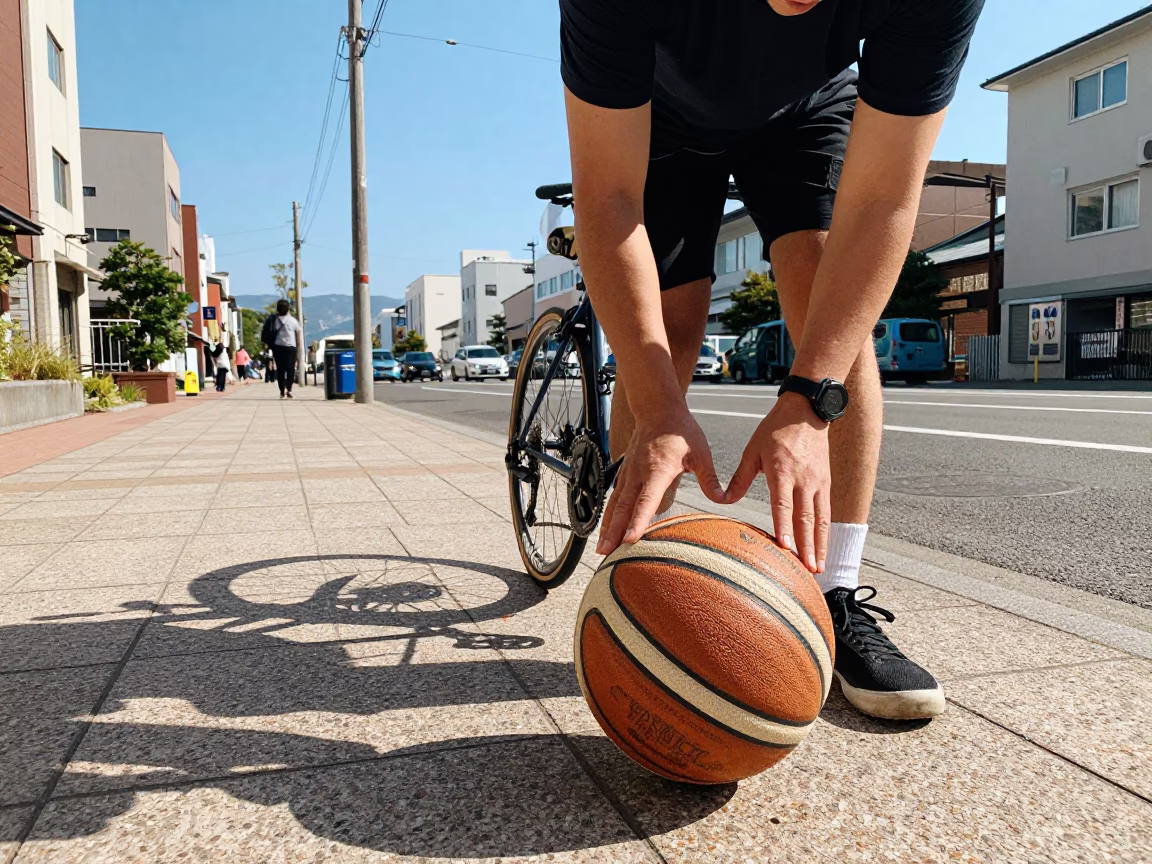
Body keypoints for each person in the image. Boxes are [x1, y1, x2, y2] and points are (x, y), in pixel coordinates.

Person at [562, 0, 984, 720]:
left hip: (805, 109)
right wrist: (660, 410)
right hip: (661, 113)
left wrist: (810, 400)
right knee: (672, 329)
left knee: (828, 310)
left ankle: (836, 592)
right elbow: (607, 199)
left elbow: (883, 200)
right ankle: (634, 587)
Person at [268, 299, 302, 399]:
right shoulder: (293, 320)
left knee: (280, 370)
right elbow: (299, 334)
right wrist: (299, 348)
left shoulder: (274, 320)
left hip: (278, 347)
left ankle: (282, 391)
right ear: (288, 309)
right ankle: (289, 389)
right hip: (291, 348)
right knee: (290, 369)